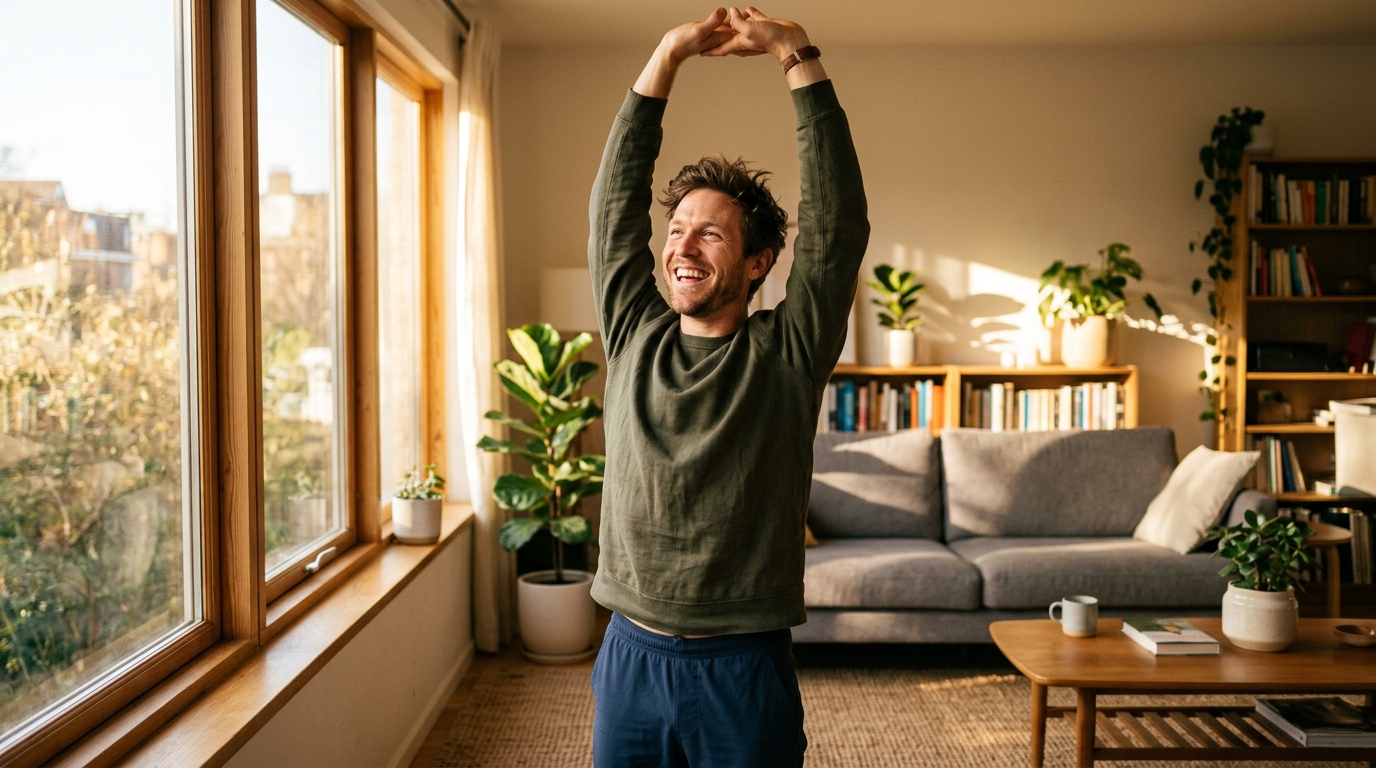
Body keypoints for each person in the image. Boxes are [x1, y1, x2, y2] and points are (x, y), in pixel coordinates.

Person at [587, 6, 869, 766]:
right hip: (629, 656)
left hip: (742, 667)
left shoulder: (787, 352)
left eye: (709, 232)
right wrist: (665, 58)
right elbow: (614, 213)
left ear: (757, 263)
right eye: (676, 229)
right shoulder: (632, 334)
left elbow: (838, 227)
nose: (682, 245)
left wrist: (793, 54)